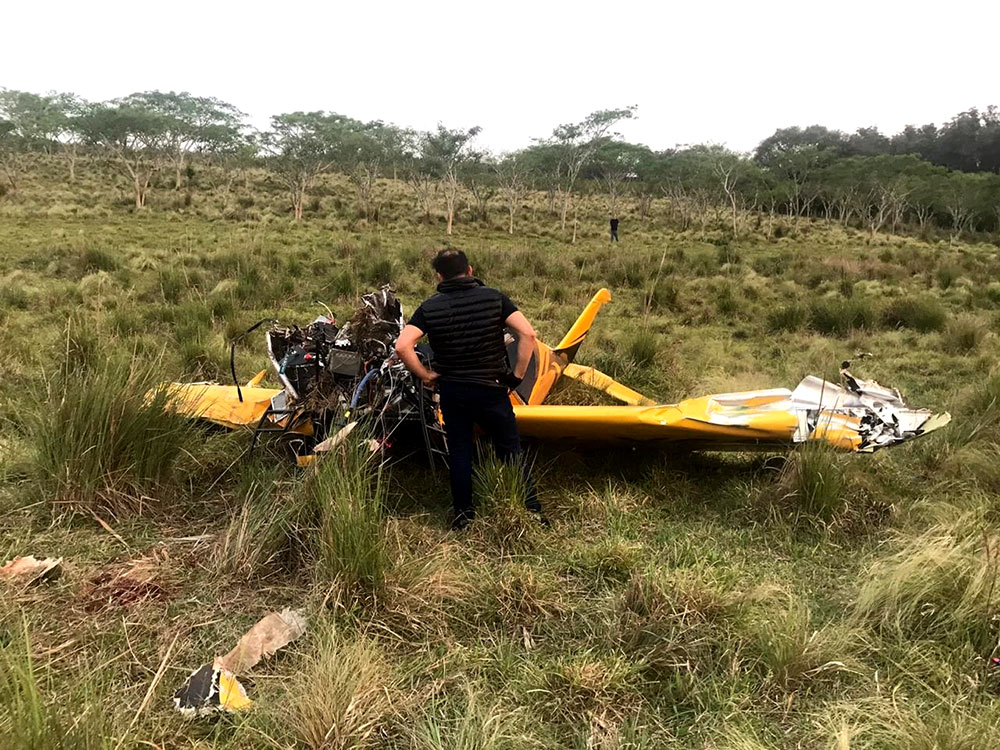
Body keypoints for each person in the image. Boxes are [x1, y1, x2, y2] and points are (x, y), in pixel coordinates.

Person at [394, 249, 543, 530]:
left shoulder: (430, 307)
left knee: (460, 452)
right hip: (491, 389)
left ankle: (463, 517)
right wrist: (516, 376)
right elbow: (528, 334)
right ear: (471, 270)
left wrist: (426, 375)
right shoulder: (495, 298)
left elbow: (402, 346)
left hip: (454, 392)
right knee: (510, 449)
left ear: (439, 276)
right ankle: (531, 510)